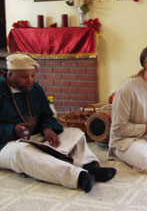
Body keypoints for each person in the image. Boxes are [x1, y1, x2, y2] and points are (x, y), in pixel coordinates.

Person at [0, 54, 116, 193]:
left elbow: (46, 115)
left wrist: (48, 128)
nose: (30, 80)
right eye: (24, 77)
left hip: (34, 136)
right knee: (21, 152)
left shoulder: (35, 89)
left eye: (32, 76)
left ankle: (90, 166)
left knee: (75, 133)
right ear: (10, 75)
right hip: (6, 144)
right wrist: (12, 130)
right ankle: (78, 176)